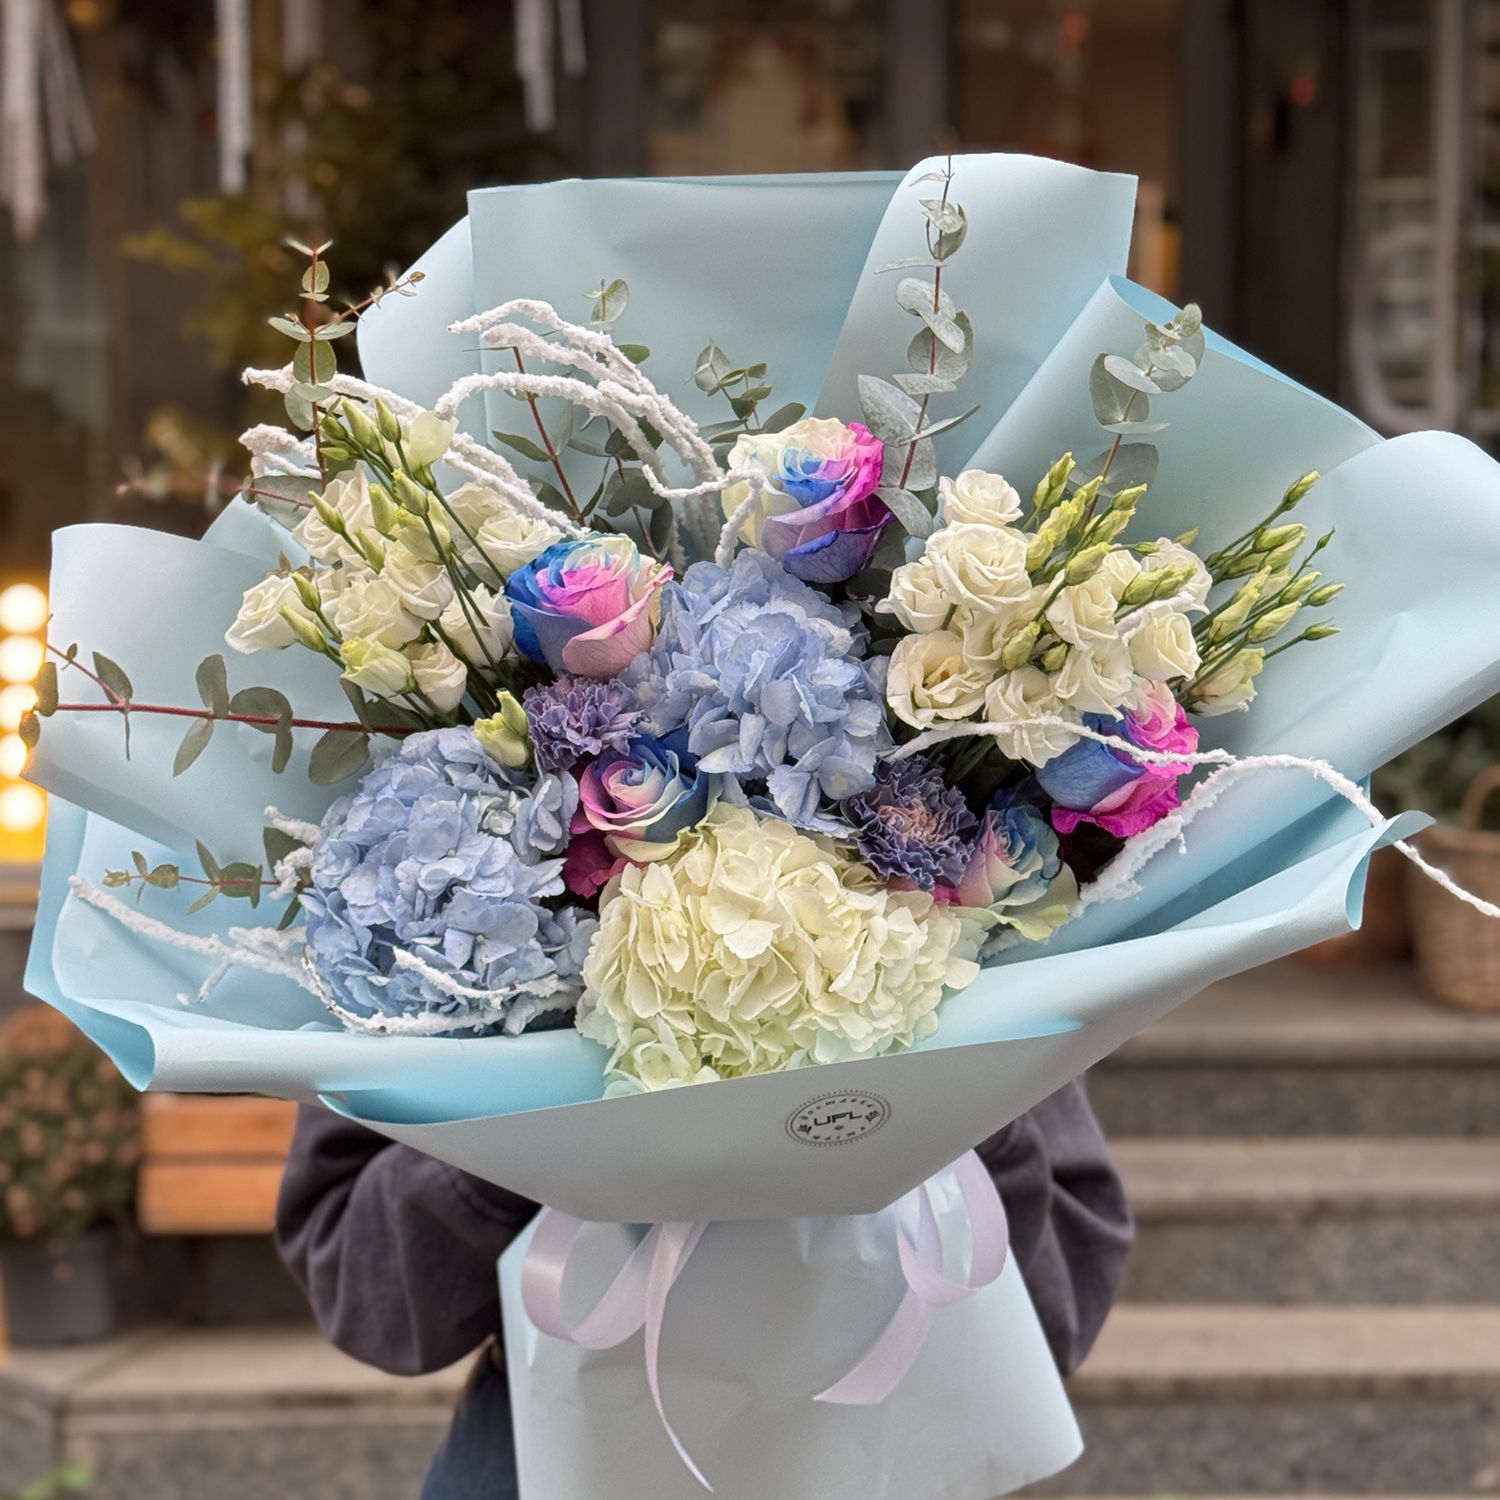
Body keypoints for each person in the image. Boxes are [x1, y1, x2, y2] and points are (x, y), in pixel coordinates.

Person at [277, 1078, 1132, 1499]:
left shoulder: (964, 827)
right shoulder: (420, 848)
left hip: (892, 1441)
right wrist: (527, 1122)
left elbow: (1062, 1299)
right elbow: (358, 1280)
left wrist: (949, 1098)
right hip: (547, 1446)